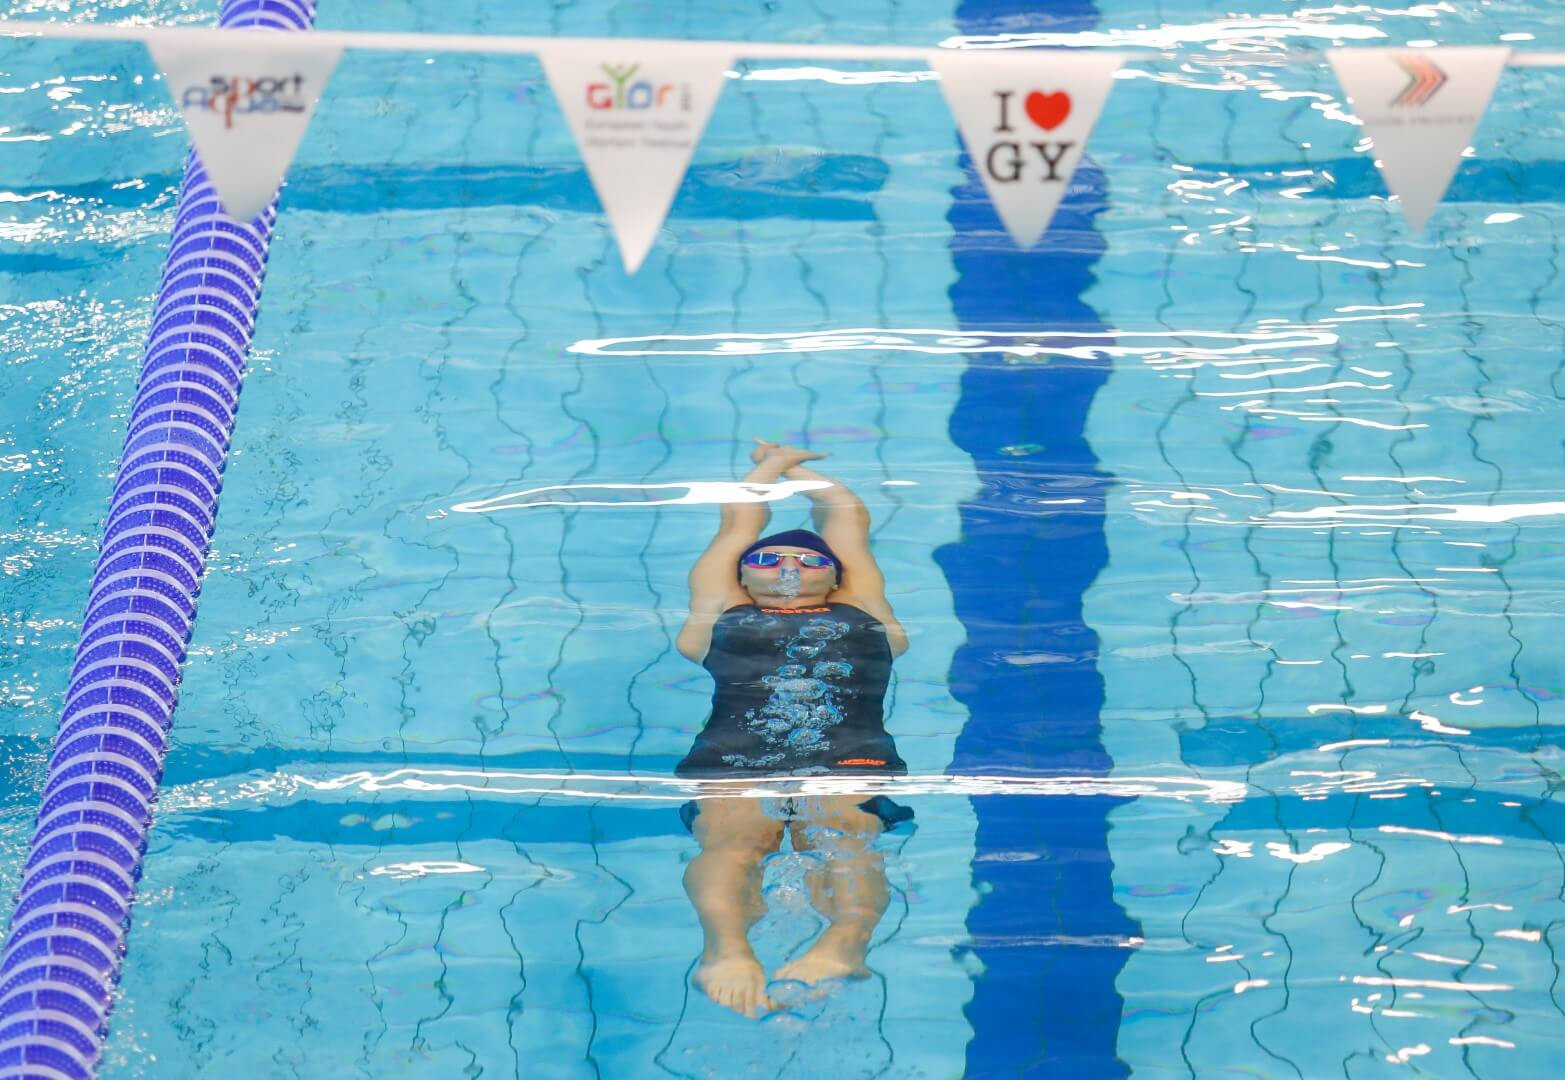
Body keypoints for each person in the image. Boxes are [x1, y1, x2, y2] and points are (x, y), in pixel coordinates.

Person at [674, 439, 913, 1017]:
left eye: (809, 560)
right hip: (735, 760)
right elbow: (736, 523)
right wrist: (769, 469)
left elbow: (848, 516)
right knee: (732, 841)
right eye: (767, 560)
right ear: (740, 576)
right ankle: (726, 950)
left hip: (848, 759)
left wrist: (799, 471)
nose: (788, 567)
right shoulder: (718, 612)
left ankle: (845, 943)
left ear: (835, 576)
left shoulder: (865, 610)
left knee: (845, 837)